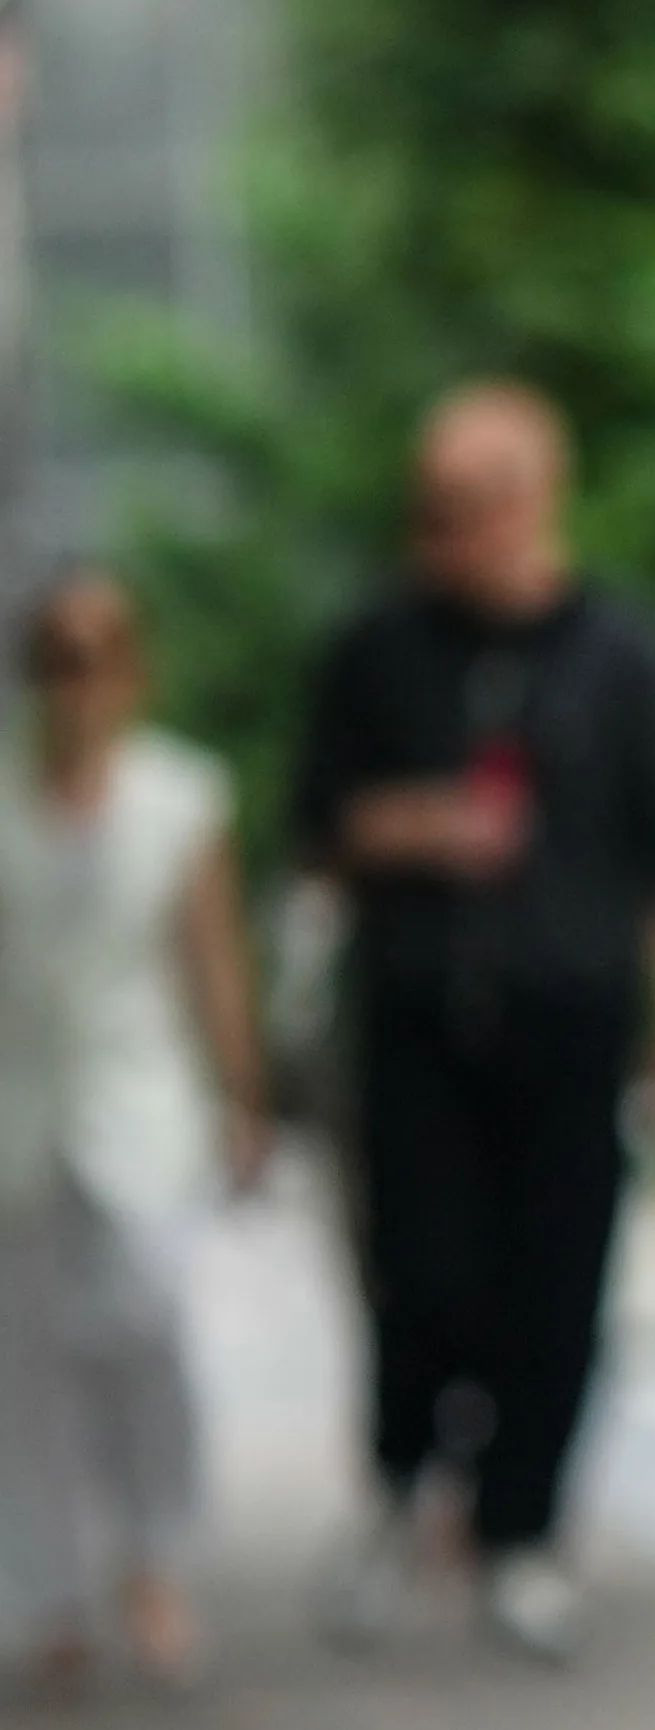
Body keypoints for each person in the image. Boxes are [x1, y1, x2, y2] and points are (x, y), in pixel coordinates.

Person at [299, 380, 655, 1664]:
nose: (442, 532)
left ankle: (520, 1531)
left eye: (467, 505)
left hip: (568, 1015)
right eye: (427, 508)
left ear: (537, 497)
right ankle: (405, 1483)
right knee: (422, 1268)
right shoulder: (375, 649)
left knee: (557, 1279)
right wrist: (420, 824)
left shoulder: (624, 652)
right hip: (420, 1011)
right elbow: (316, 823)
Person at [0, 572, 266, 1695]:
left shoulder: (180, 797)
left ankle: (155, 1554)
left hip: (143, 1105)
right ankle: (48, 1587)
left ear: (134, 670)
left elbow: (211, 957)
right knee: (26, 1364)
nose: (80, 683)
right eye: (61, 657)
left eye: (100, 655)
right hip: (20, 1108)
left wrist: (242, 1094)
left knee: (144, 1324)